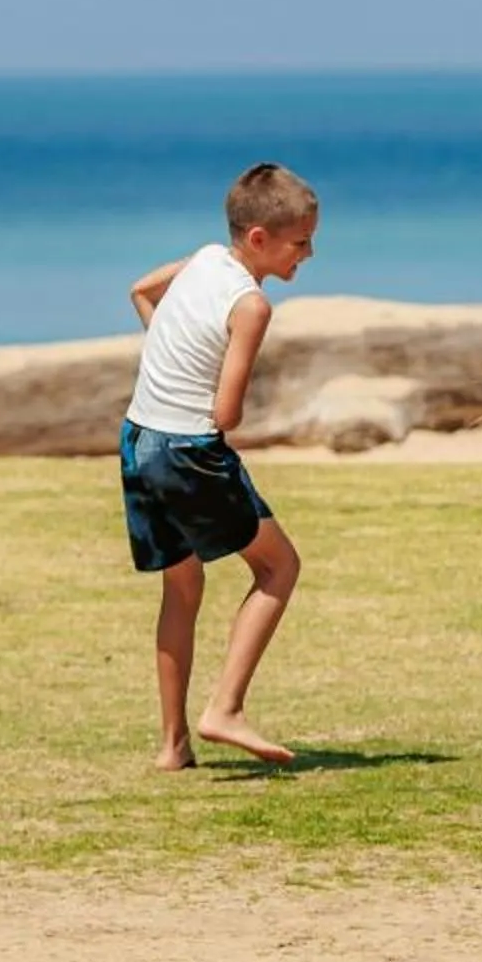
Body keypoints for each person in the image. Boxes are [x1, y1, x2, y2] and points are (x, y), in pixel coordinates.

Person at [122, 162, 320, 769]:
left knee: (182, 588)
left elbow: (141, 290)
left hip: (138, 438)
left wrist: (170, 355)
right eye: (301, 242)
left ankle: (172, 745)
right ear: (258, 238)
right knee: (279, 567)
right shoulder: (251, 306)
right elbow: (226, 413)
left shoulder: (206, 256)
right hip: (189, 452)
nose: (309, 254)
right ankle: (224, 709)